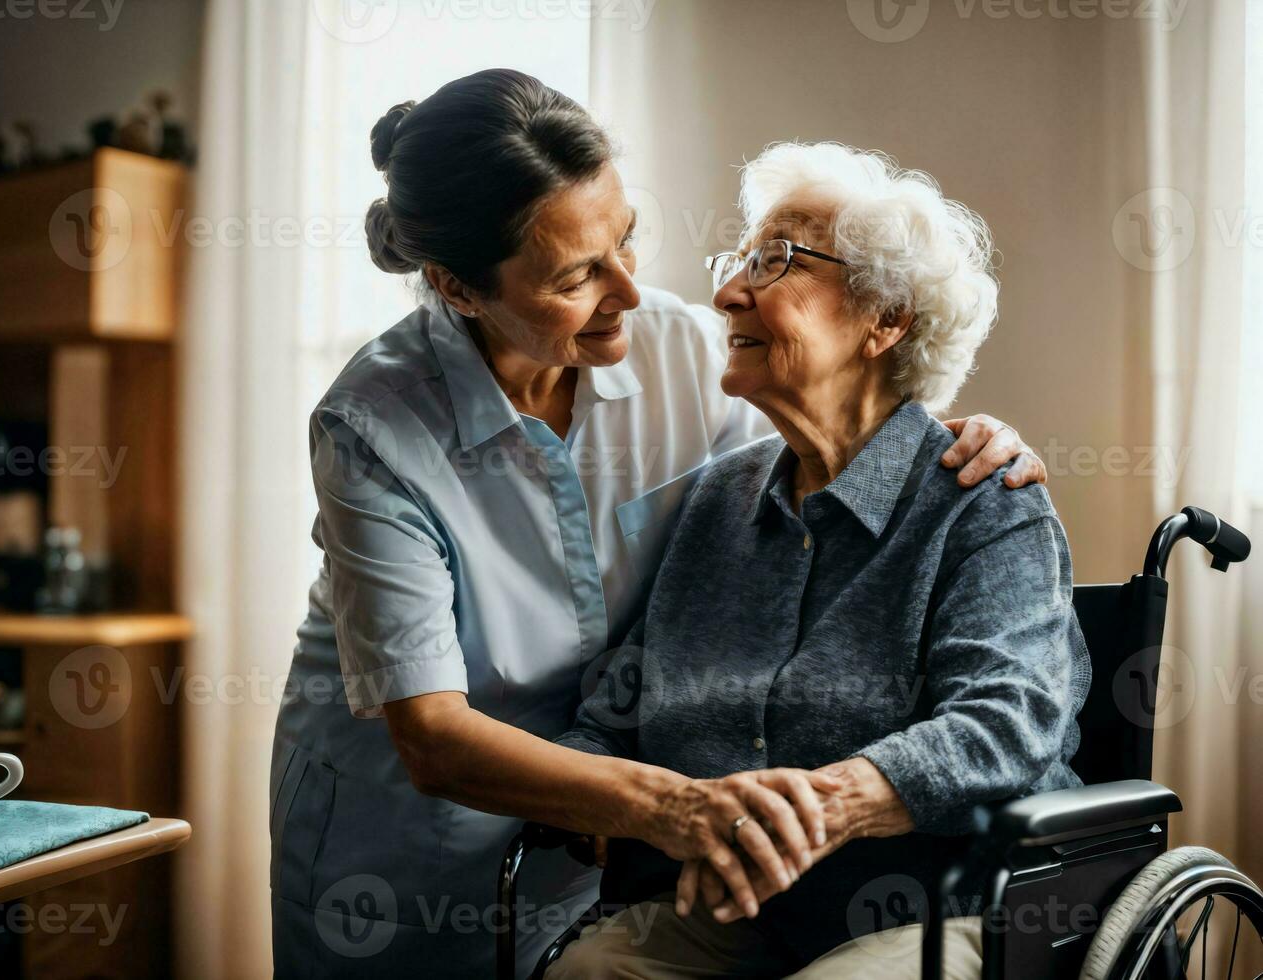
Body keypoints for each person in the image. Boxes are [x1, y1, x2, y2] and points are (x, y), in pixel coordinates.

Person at [269, 69, 1048, 978]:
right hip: (423, 831)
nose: (632, 295)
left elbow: (849, 442)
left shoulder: (686, 360)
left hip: (667, 845)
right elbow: (436, 737)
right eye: (574, 276)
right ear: (457, 287)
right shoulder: (374, 425)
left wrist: (950, 439)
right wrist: (669, 806)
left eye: (626, 242)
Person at [549, 141, 1090, 979]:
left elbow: (1005, 724)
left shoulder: (983, 499)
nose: (728, 292)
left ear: (885, 318)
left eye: (776, 261)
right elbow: (626, 702)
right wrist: (586, 790)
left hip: (948, 902)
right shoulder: (715, 500)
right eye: (737, 261)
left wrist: (823, 806)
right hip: (742, 907)